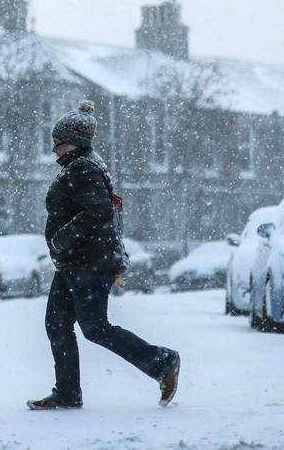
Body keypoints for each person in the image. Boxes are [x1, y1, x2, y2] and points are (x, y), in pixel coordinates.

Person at [28, 99, 181, 410]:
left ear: (75, 143)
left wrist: (60, 239)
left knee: (95, 327)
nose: (54, 149)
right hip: (76, 262)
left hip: (88, 262)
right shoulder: (81, 166)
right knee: (56, 324)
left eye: (59, 142)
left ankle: (163, 361)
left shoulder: (82, 169)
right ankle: (67, 392)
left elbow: (97, 211)